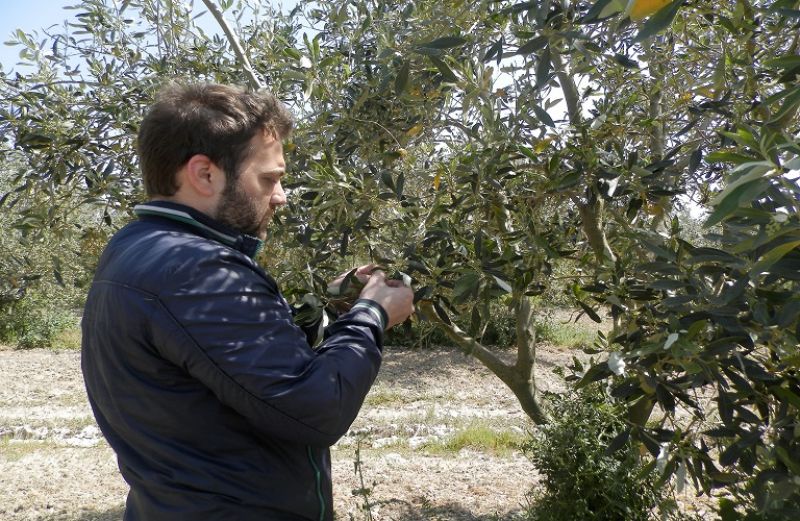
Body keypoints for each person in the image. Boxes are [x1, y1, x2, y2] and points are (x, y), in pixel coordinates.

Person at [81, 82, 415, 521]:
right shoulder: (193, 269)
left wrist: (331, 311)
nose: (281, 196)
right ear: (204, 174)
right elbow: (317, 407)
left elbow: (229, 369)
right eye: (269, 179)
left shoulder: (138, 247)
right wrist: (372, 315)